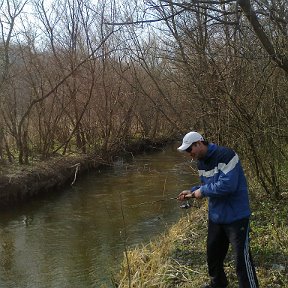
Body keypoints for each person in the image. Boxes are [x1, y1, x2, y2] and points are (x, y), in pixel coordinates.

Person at [177, 131, 259, 288]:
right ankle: (218, 284)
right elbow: (206, 185)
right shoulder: (201, 162)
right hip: (216, 217)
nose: (189, 154)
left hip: (236, 216)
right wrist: (192, 192)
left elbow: (228, 185)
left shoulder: (227, 155)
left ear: (199, 144)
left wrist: (203, 192)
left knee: (242, 261)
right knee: (213, 257)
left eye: (190, 150)